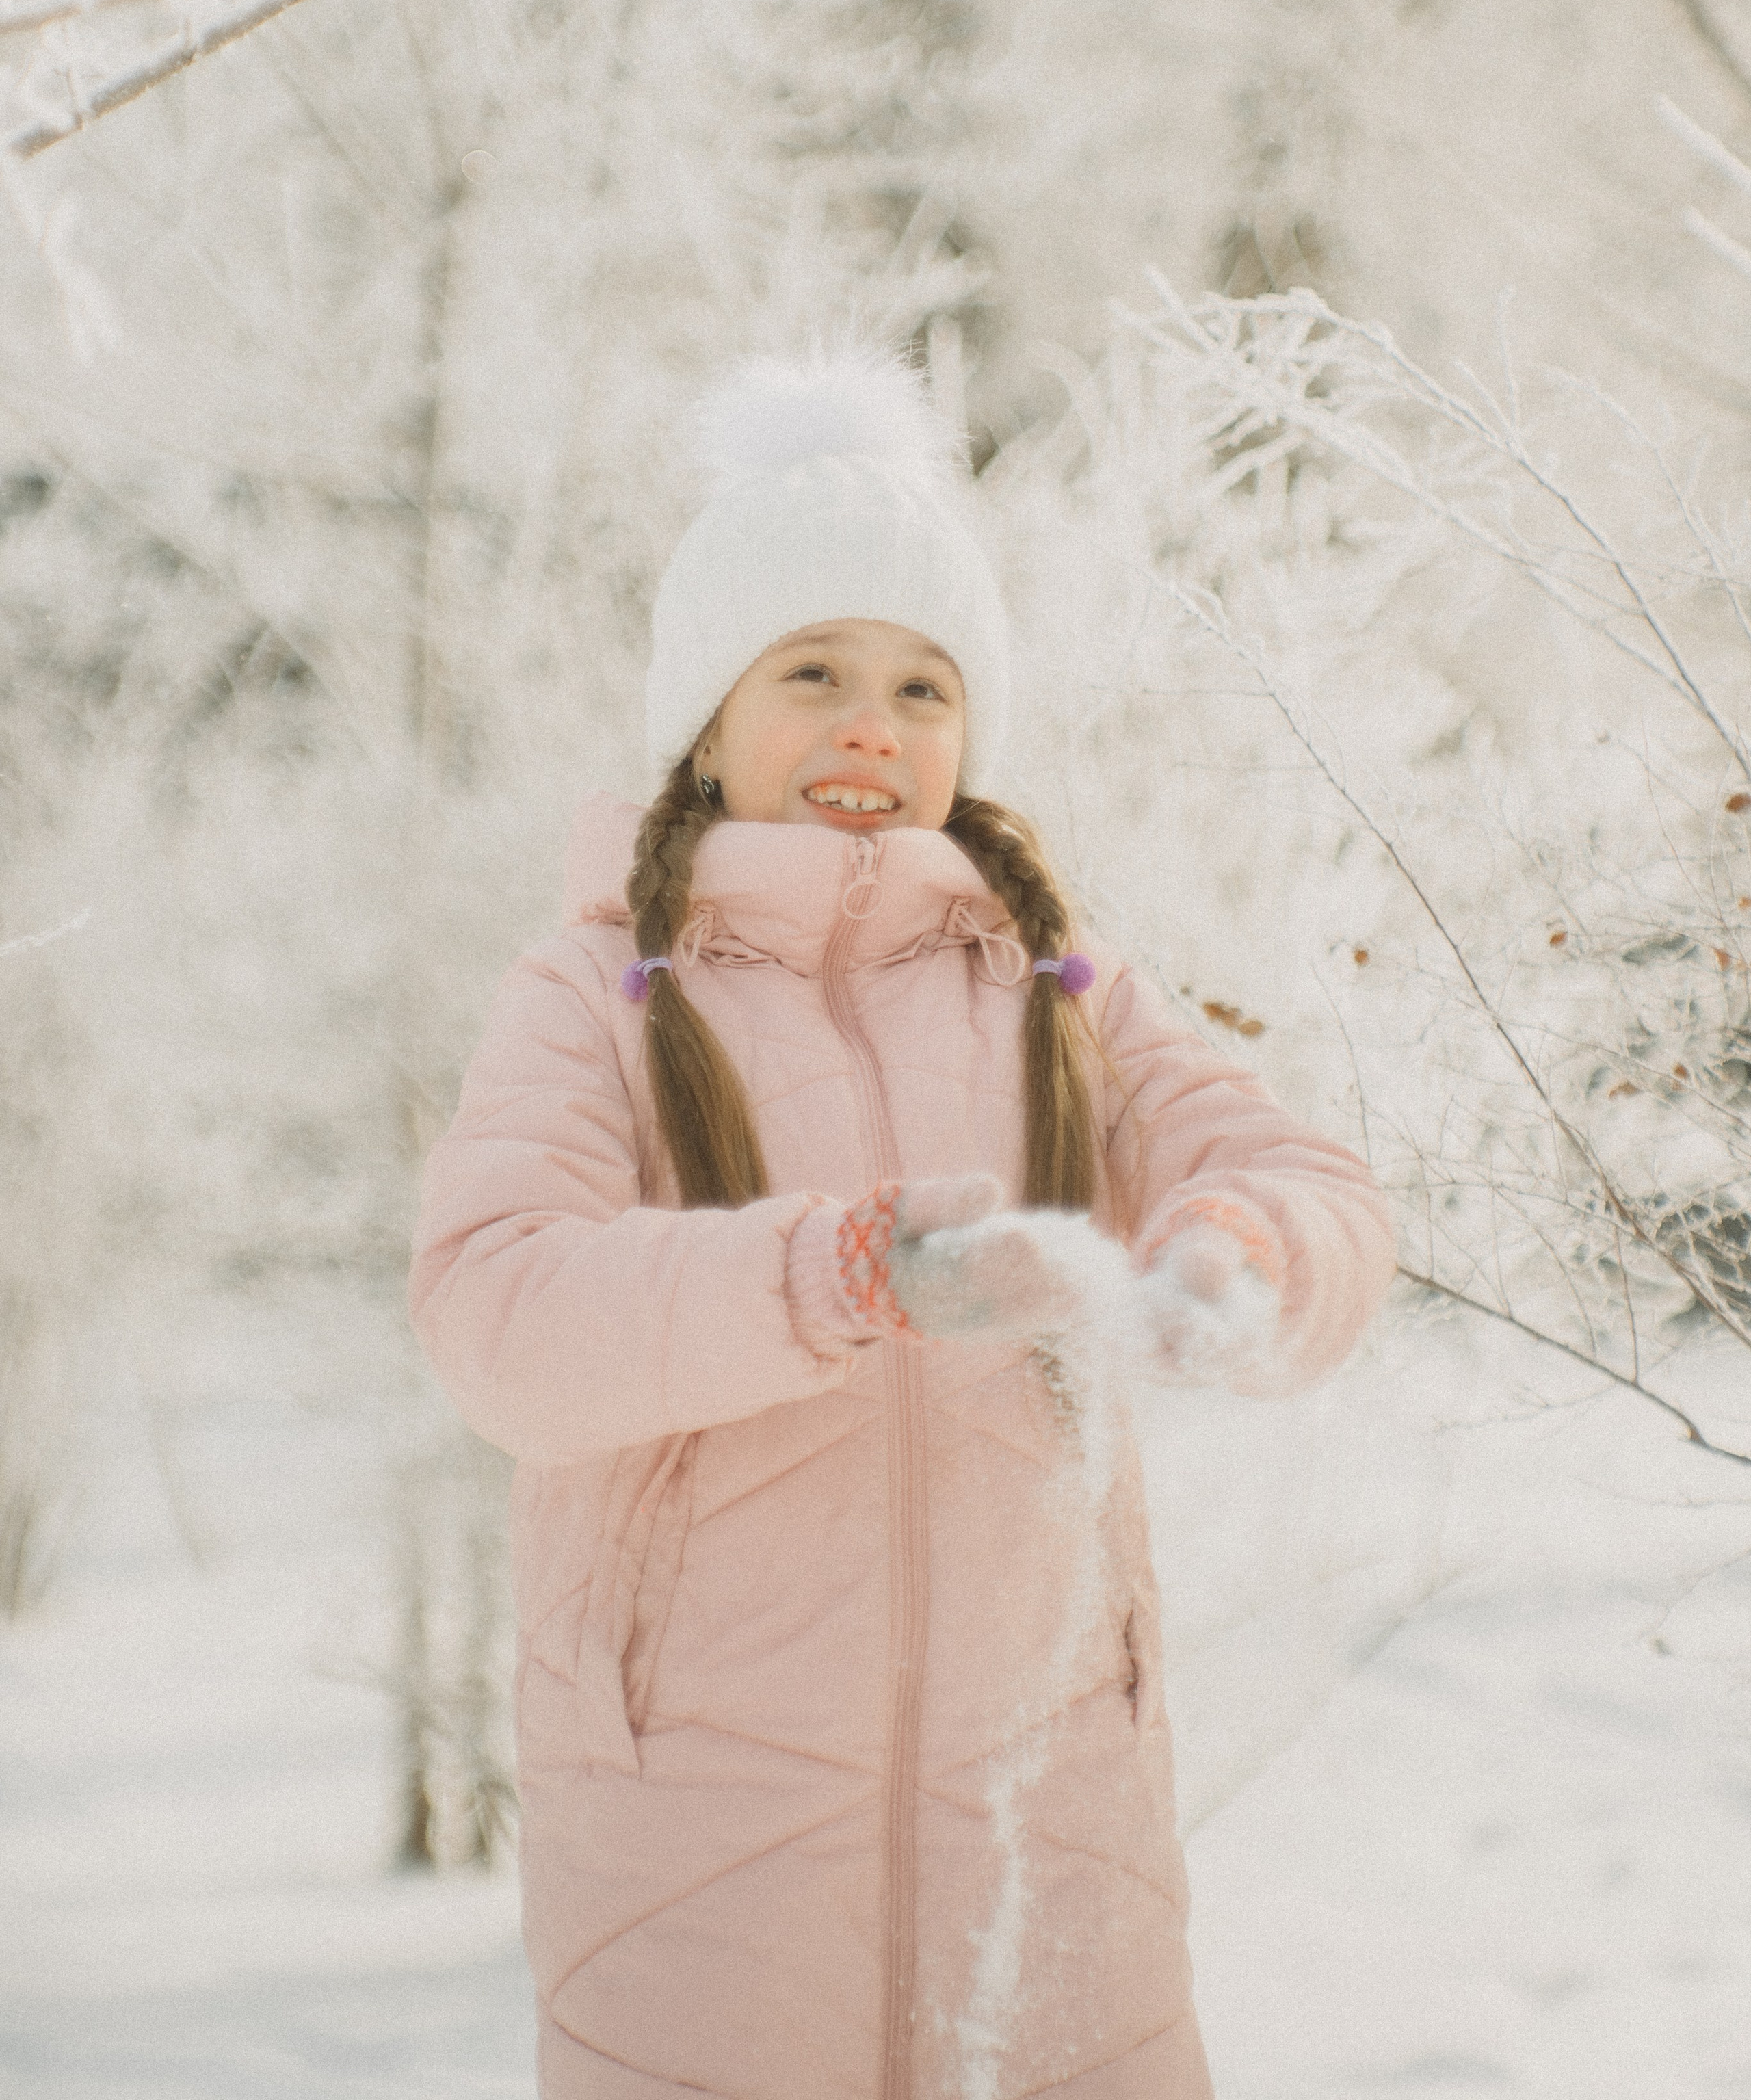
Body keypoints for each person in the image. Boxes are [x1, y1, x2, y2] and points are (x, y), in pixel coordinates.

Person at [410, 349, 1397, 2100]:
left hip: (1050, 1806)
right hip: (698, 1829)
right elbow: (498, 1316)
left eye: (924, 685)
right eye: (812, 671)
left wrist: (1234, 1258)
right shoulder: (594, 995)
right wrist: (844, 1269)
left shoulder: (1057, 987)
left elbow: (1304, 1183)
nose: (874, 723)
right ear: (703, 722)